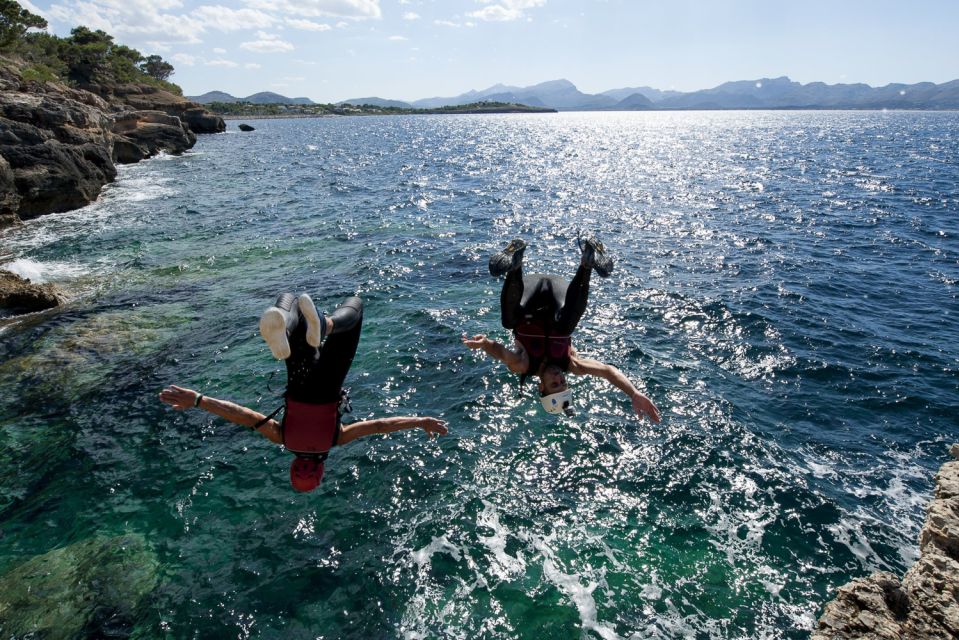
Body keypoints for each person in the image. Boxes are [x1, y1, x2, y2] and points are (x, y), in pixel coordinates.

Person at [160, 293, 447, 492]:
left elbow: (380, 426)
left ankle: (326, 324)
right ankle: (284, 327)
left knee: (355, 307)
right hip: (298, 378)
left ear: (320, 472)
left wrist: (420, 421)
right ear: (293, 466)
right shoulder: (281, 437)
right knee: (291, 301)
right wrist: (198, 399)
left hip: (330, 381)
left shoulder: (336, 438)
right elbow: (243, 415)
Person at [462, 237, 660, 422]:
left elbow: (500, 352)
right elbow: (607, 371)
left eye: (554, 384)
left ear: (542, 386)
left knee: (509, 322)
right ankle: (587, 264)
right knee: (565, 327)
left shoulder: (523, 365)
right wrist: (633, 393)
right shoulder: (572, 364)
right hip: (560, 294)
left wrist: (485, 344)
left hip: (528, 292)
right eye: (563, 382)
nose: (559, 377)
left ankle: (515, 264)